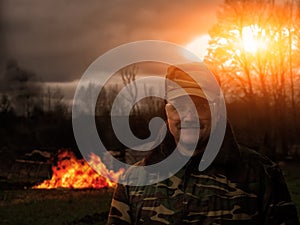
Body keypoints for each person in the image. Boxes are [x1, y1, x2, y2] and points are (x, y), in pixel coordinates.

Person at [106, 62, 299, 225]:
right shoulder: (134, 181)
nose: (189, 116)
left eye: (199, 105)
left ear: (217, 111)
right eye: (179, 106)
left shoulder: (262, 174)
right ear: (167, 112)